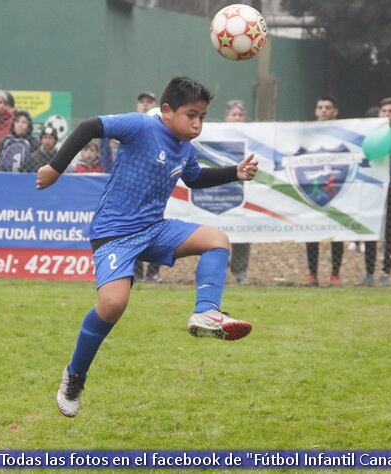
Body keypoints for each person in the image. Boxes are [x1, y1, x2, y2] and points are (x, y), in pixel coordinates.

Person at [37, 76, 258, 418]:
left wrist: (235, 172)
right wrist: (55, 167)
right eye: (191, 115)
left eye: (202, 116)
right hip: (115, 234)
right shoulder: (140, 126)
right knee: (112, 305)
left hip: (154, 229)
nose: (197, 123)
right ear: (167, 111)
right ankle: (74, 376)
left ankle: (206, 311)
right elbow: (88, 126)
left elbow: (195, 179)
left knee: (217, 239)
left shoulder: (184, 148)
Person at [358, 97, 391, 286]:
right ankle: (369, 273)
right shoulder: (369, 135)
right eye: (384, 111)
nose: (387, 114)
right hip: (373, 189)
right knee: (371, 230)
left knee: (390, 234)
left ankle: (386, 272)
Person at [304, 95, 345, 287]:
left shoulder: (344, 132)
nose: (324, 111)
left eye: (328, 107)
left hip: (337, 188)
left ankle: (335, 274)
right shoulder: (307, 133)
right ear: (315, 111)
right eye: (320, 107)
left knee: (336, 232)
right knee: (312, 231)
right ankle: (312, 274)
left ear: (335, 111)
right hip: (313, 188)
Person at [131, 92, 164, 282]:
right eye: (142, 102)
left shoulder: (162, 132)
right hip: (134, 192)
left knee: (157, 231)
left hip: (156, 192)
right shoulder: (132, 127)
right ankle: (136, 273)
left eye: (149, 102)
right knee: (133, 232)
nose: (145, 105)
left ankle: (153, 273)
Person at [223, 99, 252, 285]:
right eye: (234, 115)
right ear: (227, 117)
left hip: (244, 191)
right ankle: (219, 268)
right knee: (219, 231)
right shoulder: (216, 135)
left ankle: (240, 270)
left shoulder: (252, 137)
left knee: (243, 229)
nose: (237, 118)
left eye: (241, 115)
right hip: (220, 191)